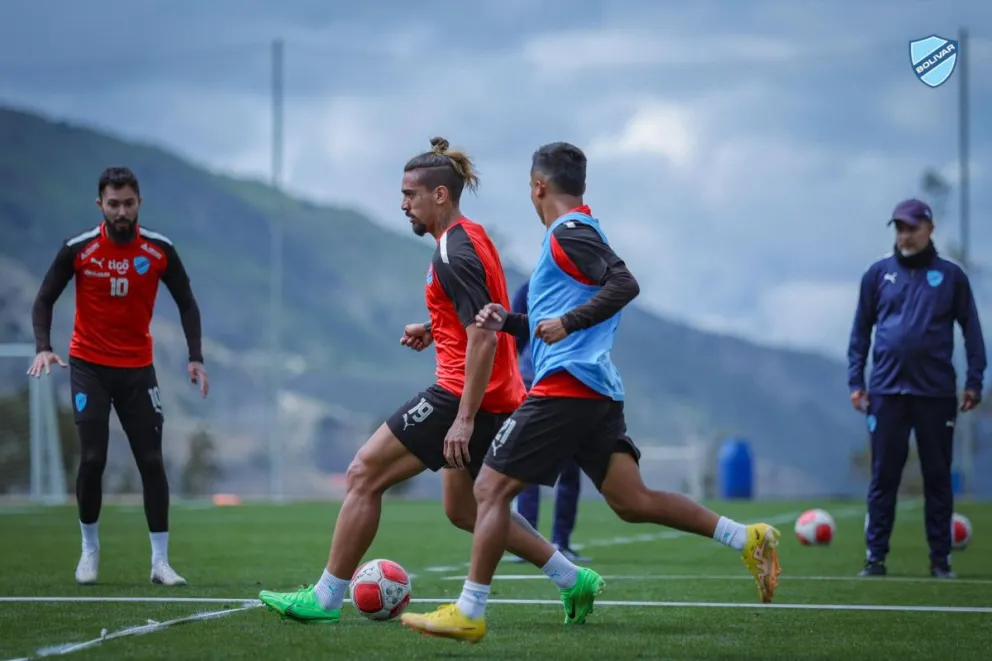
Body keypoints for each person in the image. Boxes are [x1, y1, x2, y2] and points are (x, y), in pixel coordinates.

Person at [400, 141, 782, 643]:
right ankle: (747, 536)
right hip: (595, 388)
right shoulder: (569, 234)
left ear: (538, 186)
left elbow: (624, 283)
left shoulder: (570, 231)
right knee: (632, 499)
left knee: (488, 490)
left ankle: (470, 609)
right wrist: (509, 320)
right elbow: (551, 320)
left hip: (567, 387)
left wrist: (569, 321)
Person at [257, 137, 601, 624]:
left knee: (362, 474)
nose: (403, 205)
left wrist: (461, 419)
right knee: (464, 510)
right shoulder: (471, 236)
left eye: (409, 195)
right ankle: (572, 577)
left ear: (439, 195)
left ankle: (327, 597)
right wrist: (434, 328)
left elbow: (481, 336)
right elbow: (479, 314)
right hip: (495, 395)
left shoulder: (452, 252)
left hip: (462, 395)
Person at [27, 166, 208, 586]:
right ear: (100, 205)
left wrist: (195, 357)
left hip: (138, 371)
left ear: (139, 202)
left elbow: (187, 303)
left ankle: (160, 563)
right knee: (92, 459)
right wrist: (43, 346)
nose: (121, 211)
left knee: (151, 462)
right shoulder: (79, 249)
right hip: (88, 367)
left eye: (128, 203)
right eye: (113, 204)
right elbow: (43, 300)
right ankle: (89, 550)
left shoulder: (160, 250)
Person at [848, 198, 986, 579]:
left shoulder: (951, 277)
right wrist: (856, 382)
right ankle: (875, 558)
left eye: (911, 228)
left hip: (936, 394)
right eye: (899, 228)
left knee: (938, 478)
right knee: (883, 479)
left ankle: (940, 561)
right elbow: (860, 332)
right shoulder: (877, 275)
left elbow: (972, 331)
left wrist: (975, 379)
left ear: (929, 228)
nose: (905, 235)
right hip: (887, 393)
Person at [509, 279, 590, 563]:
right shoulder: (530, 288)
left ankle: (561, 543)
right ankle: (528, 542)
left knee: (568, 468)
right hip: (534, 382)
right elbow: (514, 336)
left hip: (573, 383)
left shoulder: (585, 289)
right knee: (528, 465)